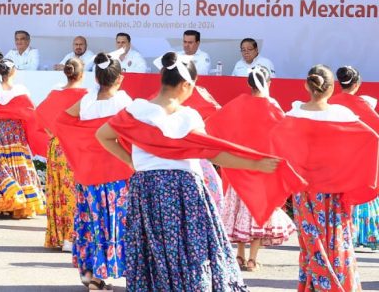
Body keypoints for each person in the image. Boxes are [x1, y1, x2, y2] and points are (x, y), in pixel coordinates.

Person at [96, 52, 295, 291]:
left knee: (154, 250)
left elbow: (103, 135)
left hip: (147, 189)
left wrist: (133, 163)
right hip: (185, 190)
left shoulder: (136, 111)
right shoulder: (187, 117)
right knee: (194, 251)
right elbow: (213, 153)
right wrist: (255, 164)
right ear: (186, 85)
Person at [271, 64, 379, 291]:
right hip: (334, 190)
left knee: (311, 244)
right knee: (336, 239)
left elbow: (276, 142)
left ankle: (315, 285)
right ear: (331, 89)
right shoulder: (341, 115)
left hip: (304, 191)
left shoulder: (294, 114)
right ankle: (338, 285)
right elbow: (371, 138)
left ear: (306, 85)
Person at [54, 53, 134, 290]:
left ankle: (93, 279)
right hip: (116, 174)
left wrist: (82, 143)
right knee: (119, 223)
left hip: (88, 175)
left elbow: (61, 122)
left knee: (90, 225)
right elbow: (134, 135)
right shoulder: (123, 101)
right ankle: (130, 275)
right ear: (120, 78)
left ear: (97, 77)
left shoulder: (87, 101)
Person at [205, 66, 296, 272]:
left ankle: (239, 255)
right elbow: (286, 133)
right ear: (269, 82)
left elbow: (213, 125)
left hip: (238, 168)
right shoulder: (272, 107)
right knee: (258, 211)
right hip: (262, 169)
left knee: (238, 211)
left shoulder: (237, 104)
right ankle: (253, 259)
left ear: (248, 83)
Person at [0, 59, 48, 218]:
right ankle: (21, 202)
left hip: (0, 131)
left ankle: (4, 205)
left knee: (2, 164)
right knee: (19, 164)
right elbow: (31, 114)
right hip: (16, 132)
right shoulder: (20, 91)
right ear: (13, 71)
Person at [35, 58, 88, 252]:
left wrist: (51, 132)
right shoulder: (86, 95)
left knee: (58, 190)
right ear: (81, 75)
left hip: (56, 146)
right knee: (73, 191)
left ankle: (60, 235)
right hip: (76, 146)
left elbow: (39, 113)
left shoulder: (55, 94)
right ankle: (71, 236)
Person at [329, 66, 379, 251]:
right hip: (358, 161)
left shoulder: (331, 103)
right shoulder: (361, 104)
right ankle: (361, 234)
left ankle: (339, 235)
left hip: (335, 162)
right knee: (359, 196)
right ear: (357, 84)